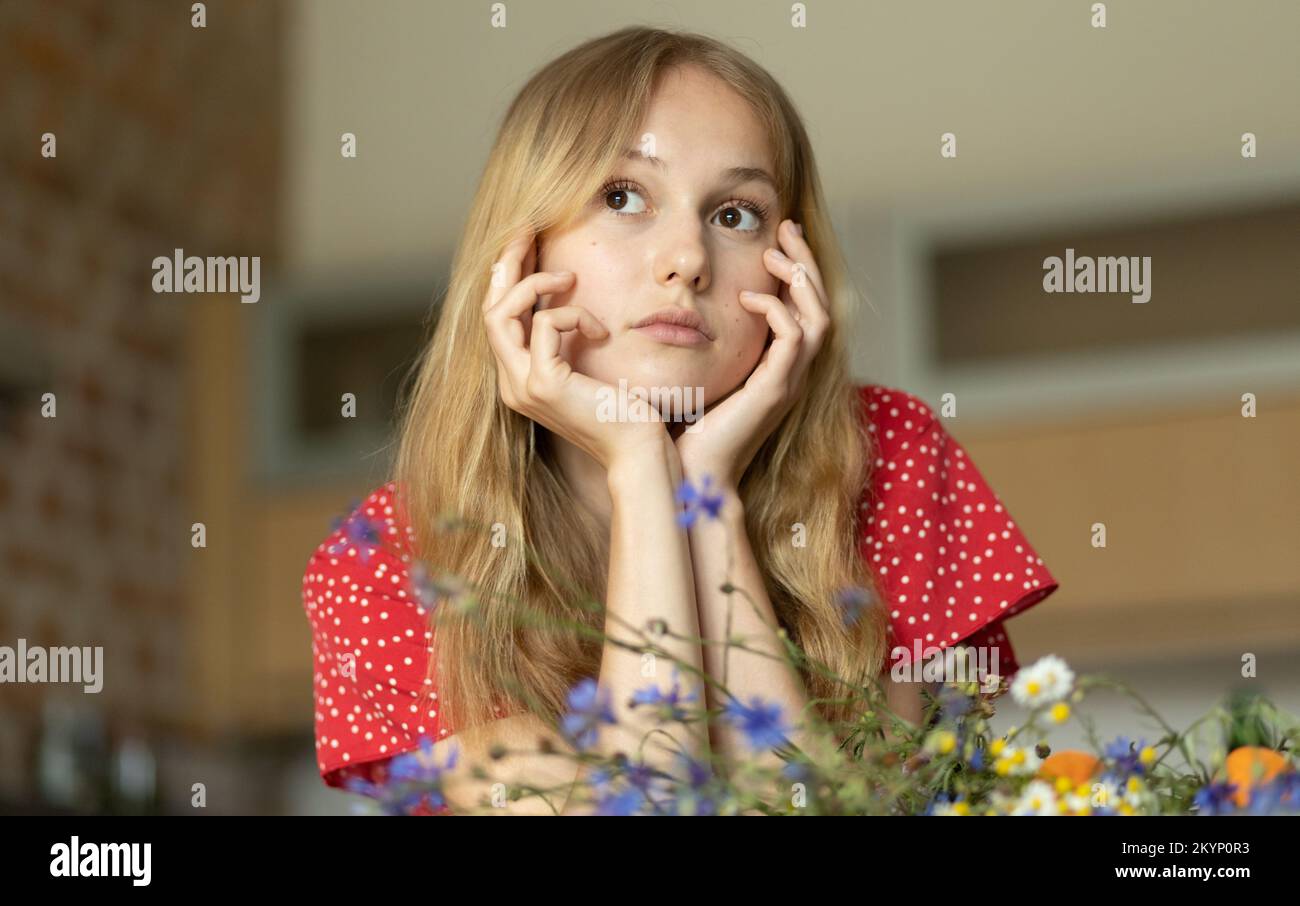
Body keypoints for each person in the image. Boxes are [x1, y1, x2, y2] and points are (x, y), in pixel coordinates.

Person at [301, 27, 1058, 815]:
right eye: (623, 196)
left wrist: (708, 491)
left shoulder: (890, 453)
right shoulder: (391, 562)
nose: (688, 258)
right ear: (520, 253)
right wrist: (638, 465)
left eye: (736, 214)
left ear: (791, 267)